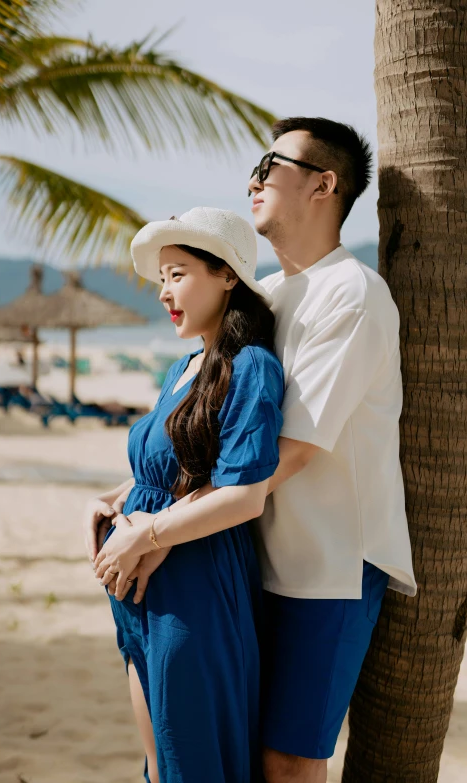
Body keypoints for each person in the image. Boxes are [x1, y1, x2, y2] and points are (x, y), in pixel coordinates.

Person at [246, 117, 417, 783]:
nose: (253, 179)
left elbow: (293, 448)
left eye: (270, 163)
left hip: (330, 565)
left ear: (325, 183)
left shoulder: (353, 292)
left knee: (290, 759)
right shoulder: (262, 294)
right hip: (258, 550)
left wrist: (172, 519)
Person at [87, 207, 284, 783]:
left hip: (196, 578)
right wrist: (113, 501)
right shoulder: (183, 365)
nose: (165, 291)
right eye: (161, 279)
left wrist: (144, 534)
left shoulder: (251, 367)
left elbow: (245, 494)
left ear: (228, 276)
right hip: (140, 580)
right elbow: (174, 466)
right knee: (158, 761)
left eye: (178, 273)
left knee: (192, 756)